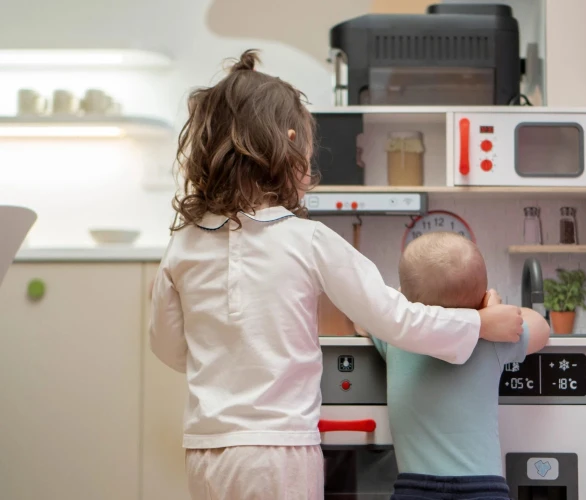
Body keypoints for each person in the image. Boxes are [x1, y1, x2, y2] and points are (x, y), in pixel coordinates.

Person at [149, 49, 527, 500]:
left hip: (207, 450)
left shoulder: (184, 244)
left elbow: (168, 346)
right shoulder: (307, 239)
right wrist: (479, 323)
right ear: (291, 146)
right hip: (281, 450)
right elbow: (395, 318)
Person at [366, 232, 551, 500]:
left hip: (415, 490)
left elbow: (360, 319)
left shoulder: (398, 338)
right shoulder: (492, 340)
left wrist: (399, 309)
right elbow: (541, 327)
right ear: (482, 299)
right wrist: (489, 315)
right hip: (484, 489)